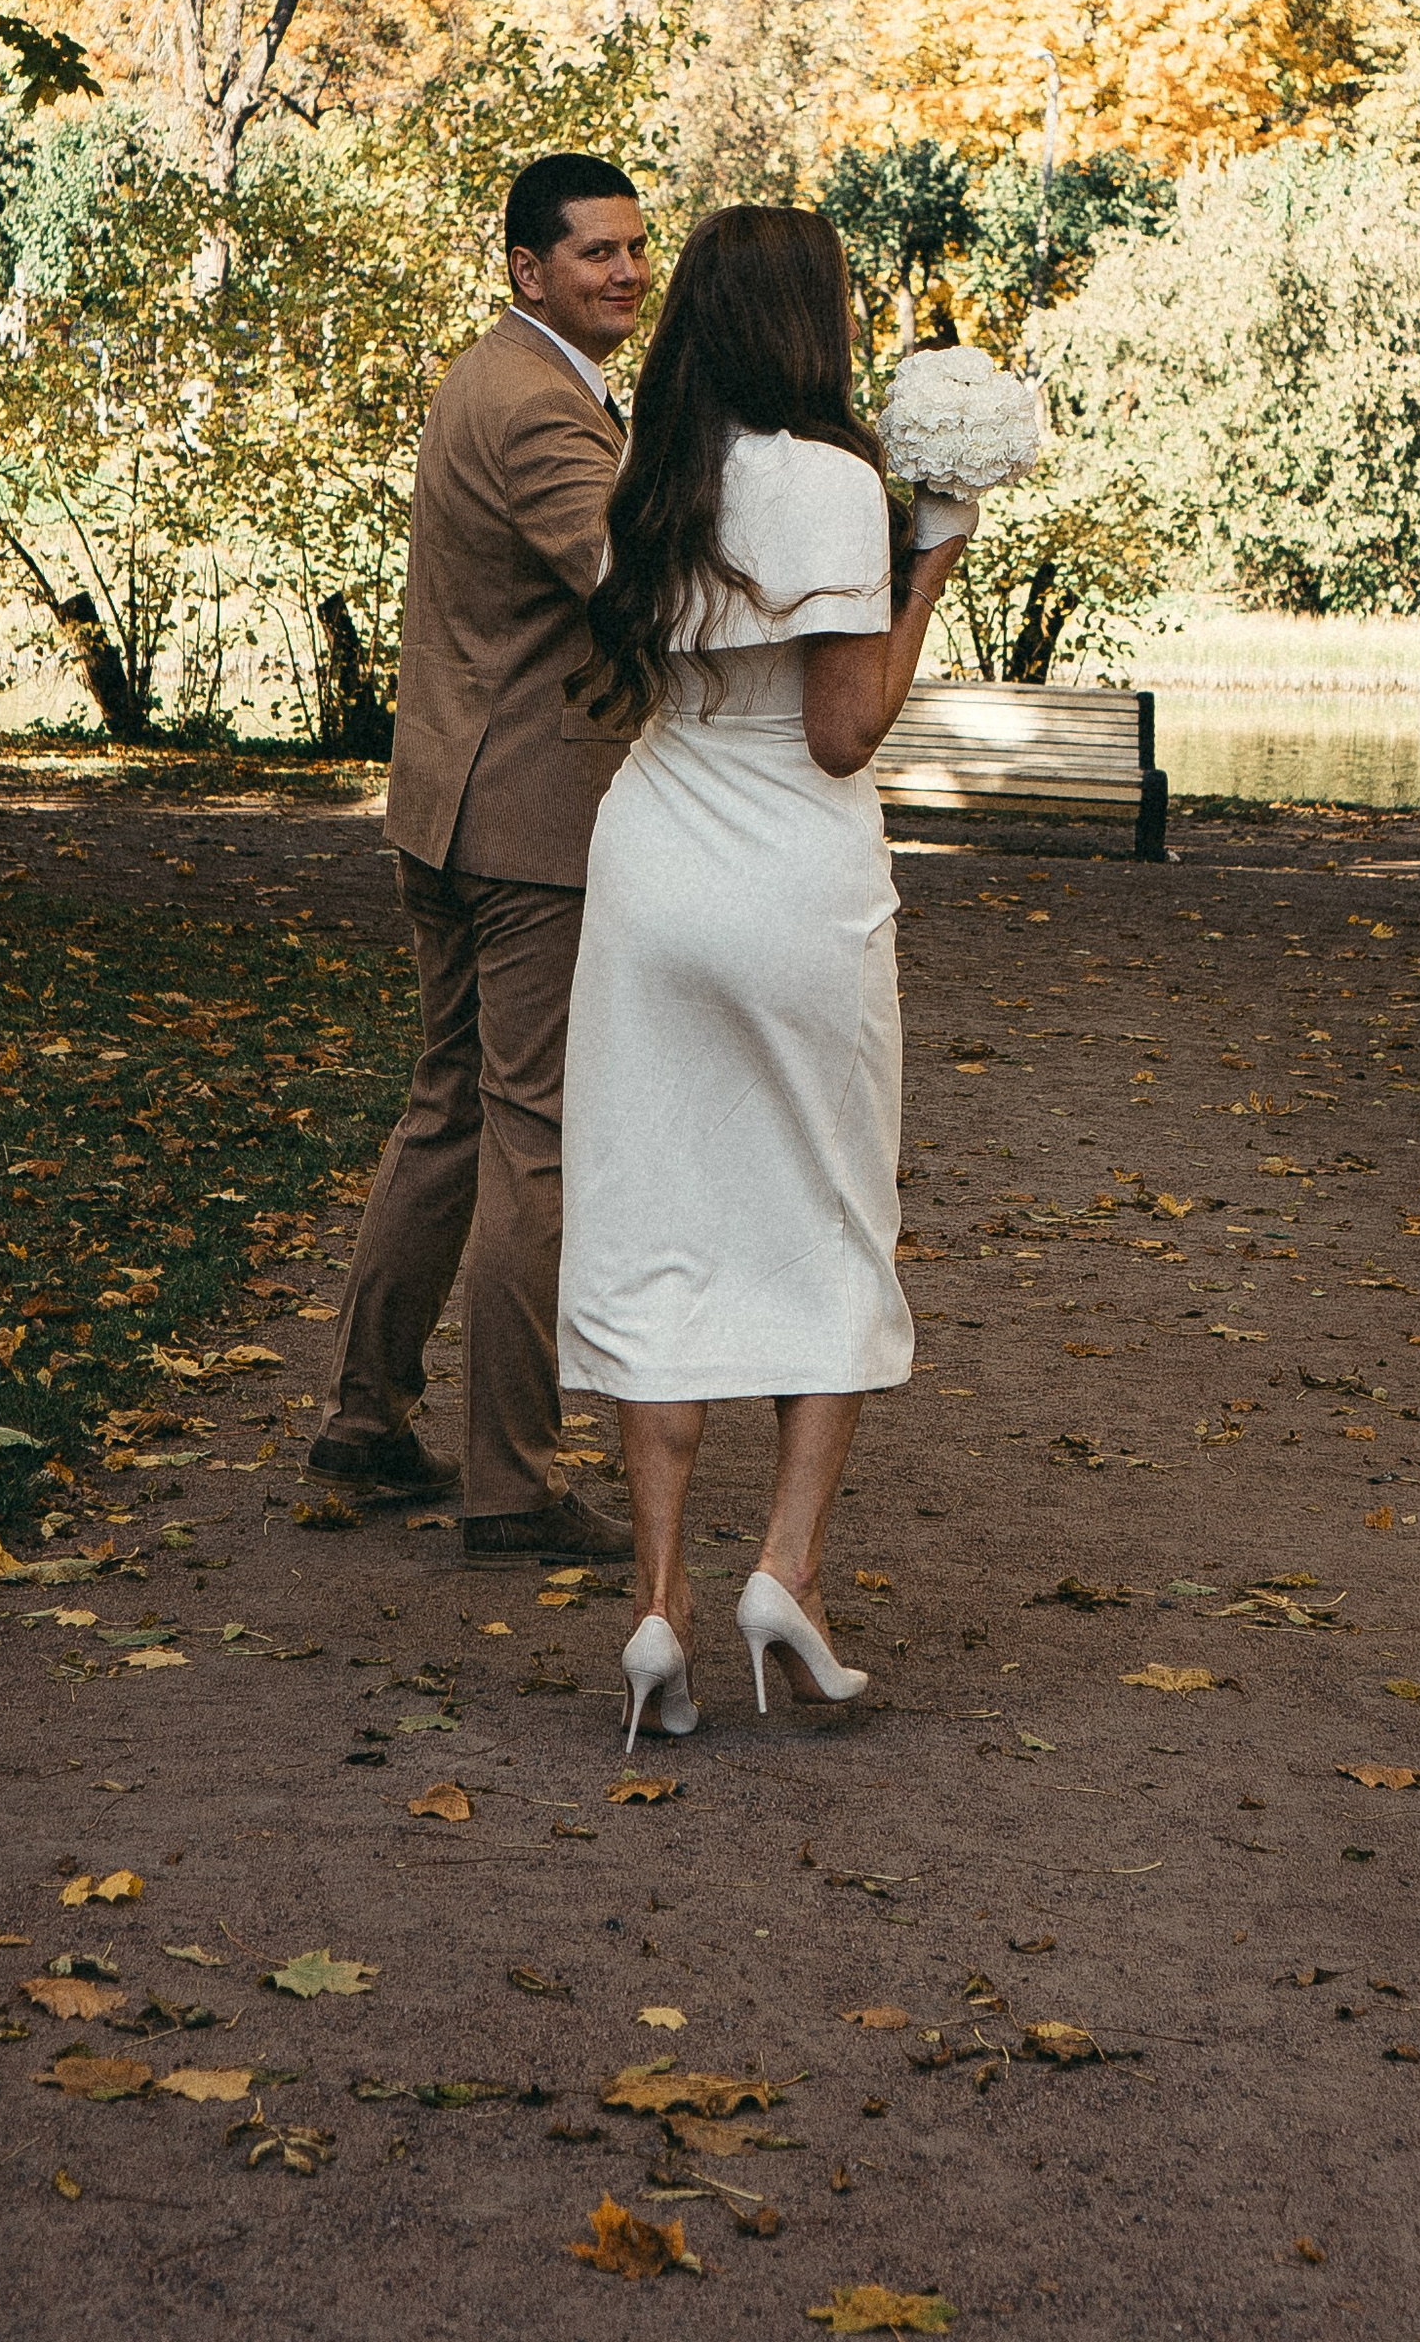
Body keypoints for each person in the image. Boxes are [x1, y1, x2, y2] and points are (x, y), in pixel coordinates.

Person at [556, 203, 970, 1744]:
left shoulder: (653, 482)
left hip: (656, 853)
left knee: (657, 1207)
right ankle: (784, 1571)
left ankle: (655, 1603)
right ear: (813, 320)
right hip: (794, 871)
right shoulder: (834, 486)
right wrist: (933, 556)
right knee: (825, 1208)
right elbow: (843, 725)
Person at [310, 152, 650, 1562]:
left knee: (448, 1113)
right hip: (530, 828)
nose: (626, 272)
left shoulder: (492, 378)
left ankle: (363, 1424)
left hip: (449, 803)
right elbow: (636, 591)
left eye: (638, 248)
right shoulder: (539, 410)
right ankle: (512, 1482)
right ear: (527, 269)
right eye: (595, 255)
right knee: (534, 1145)